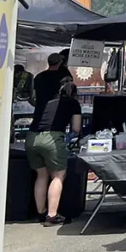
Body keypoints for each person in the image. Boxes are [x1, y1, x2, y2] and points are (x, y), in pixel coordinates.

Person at [27, 80, 82, 225]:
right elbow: (76, 128)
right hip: (52, 138)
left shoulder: (47, 101)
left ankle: (41, 212)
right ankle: (52, 215)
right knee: (58, 176)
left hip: (32, 137)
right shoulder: (73, 103)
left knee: (41, 175)